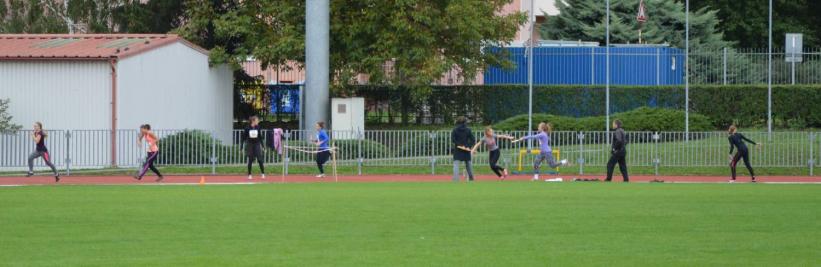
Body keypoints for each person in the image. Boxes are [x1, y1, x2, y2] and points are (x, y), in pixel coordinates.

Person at [451, 116, 476, 182]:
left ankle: (456, 180)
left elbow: (453, 140)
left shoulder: (455, 130)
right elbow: (473, 140)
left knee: (456, 164)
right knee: (468, 164)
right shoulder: (468, 130)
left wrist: (459, 145)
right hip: (466, 149)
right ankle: (471, 179)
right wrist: (468, 146)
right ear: (465, 122)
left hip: (458, 149)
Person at [242, 116, 265, 180]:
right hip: (250, 145)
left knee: (260, 159)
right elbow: (243, 138)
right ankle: (249, 174)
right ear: (253, 121)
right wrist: (241, 147)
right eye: (257, 120)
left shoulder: (258, 127)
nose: (258, 121)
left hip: (257, 144)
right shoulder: (247, 128)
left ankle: (263, 173)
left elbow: (260, 137)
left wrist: (263, 146)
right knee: (250, 159)